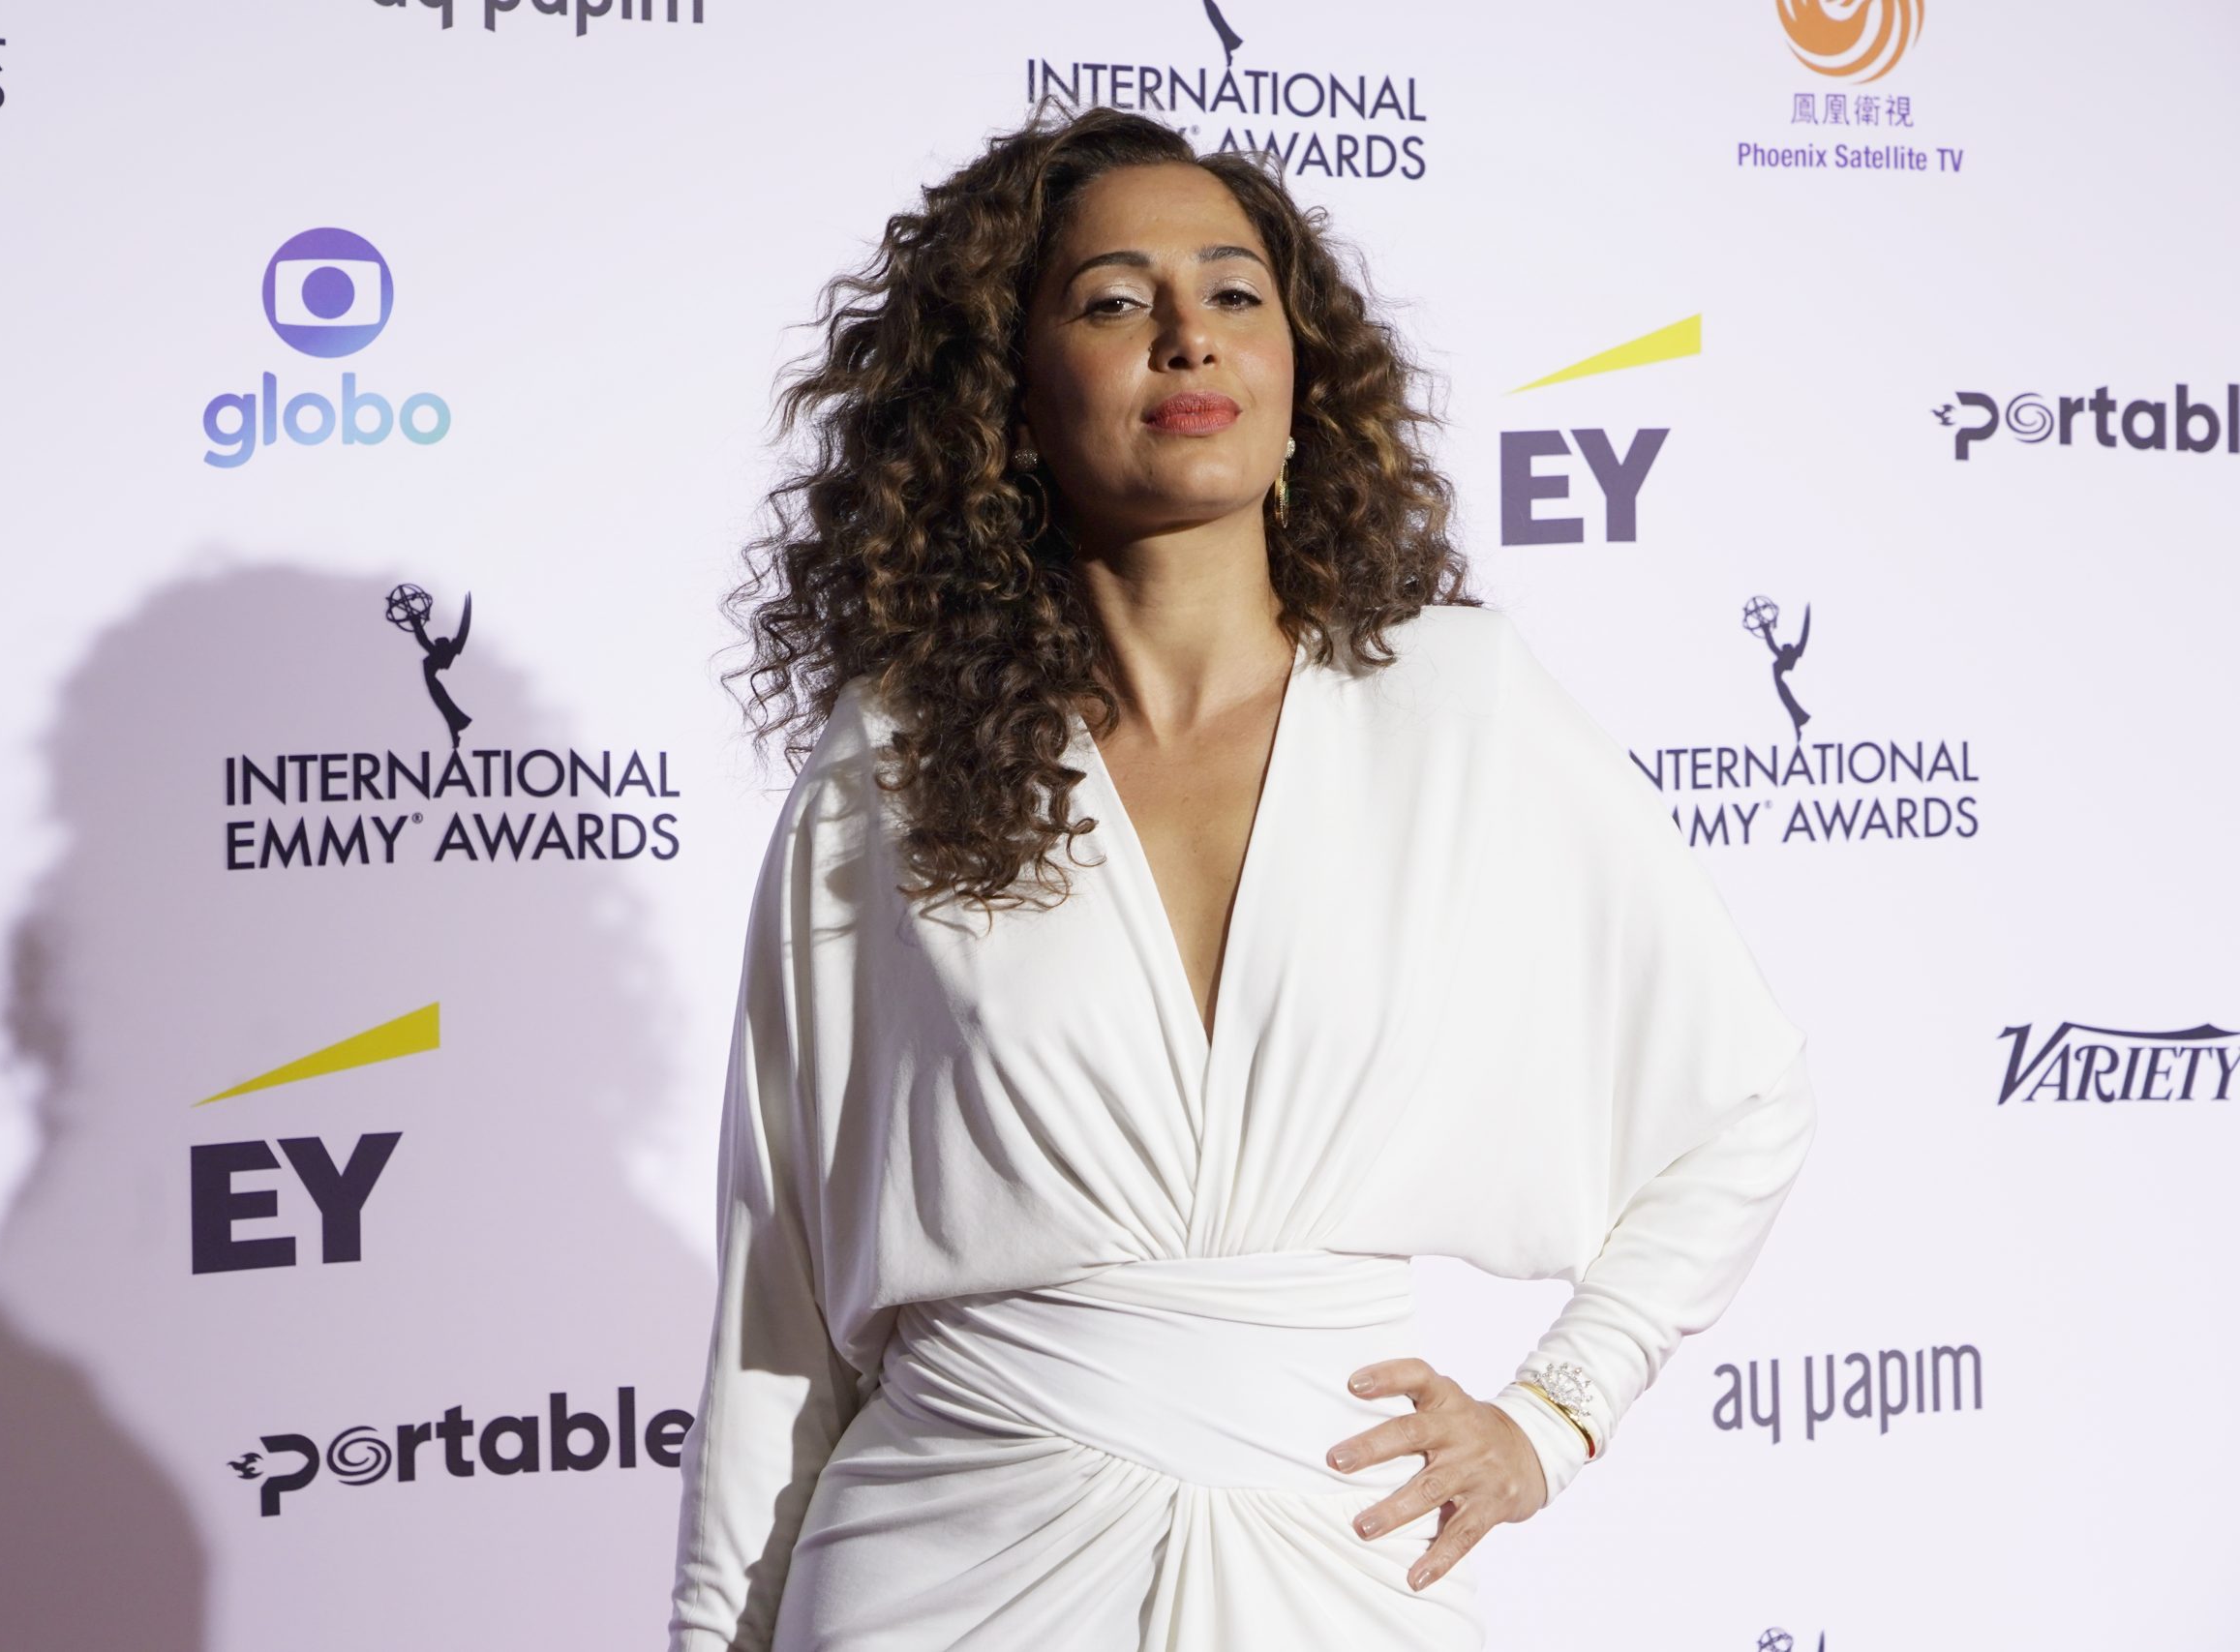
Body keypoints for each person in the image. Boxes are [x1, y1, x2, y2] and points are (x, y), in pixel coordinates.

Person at [668, 104, 1818, 1652]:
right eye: (1114, 301)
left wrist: (1557, 1413)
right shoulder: (894, 762)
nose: (1187, 339)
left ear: (1301, 379)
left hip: (1332, 1568)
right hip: (944, 1576)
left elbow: (1742, 1105)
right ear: (1004, 398)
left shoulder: (1455, 706)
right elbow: (779, 1290)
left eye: (1232, 294)